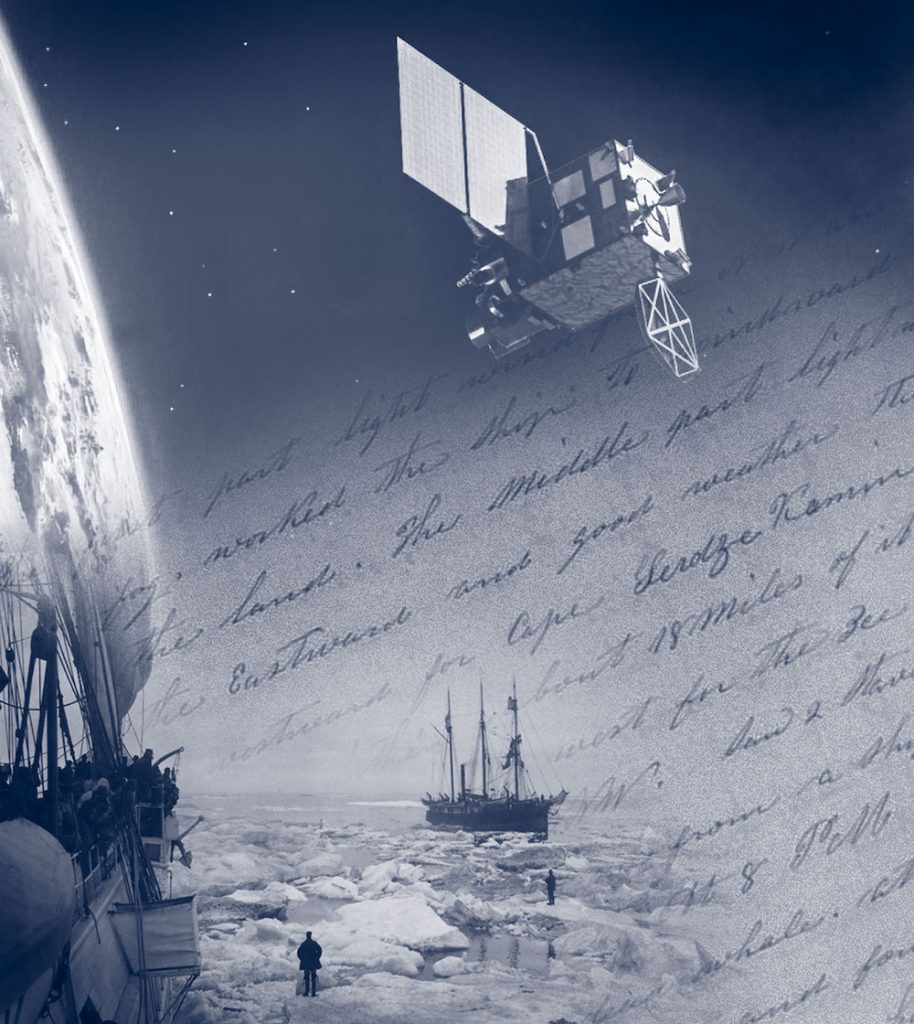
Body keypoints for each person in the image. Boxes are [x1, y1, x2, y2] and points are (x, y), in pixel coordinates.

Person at [297, 931, 322, 997]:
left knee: (307, 978)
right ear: (310, 935)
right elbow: (320, 950)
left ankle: (306, 992)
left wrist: (302, 959)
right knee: (313, 977)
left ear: (306, 936)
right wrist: (317, 957)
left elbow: (299, 953)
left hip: (306, 963)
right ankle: (313, 993)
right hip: (313, 963)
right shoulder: (314, 943)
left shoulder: (304, 944)